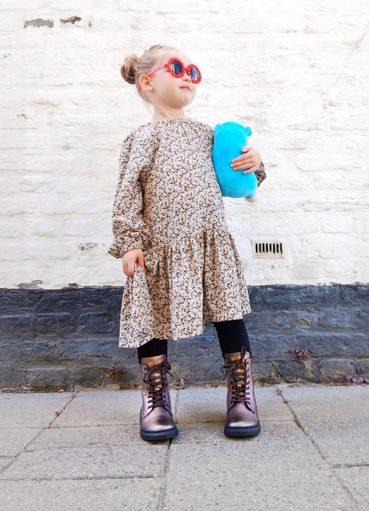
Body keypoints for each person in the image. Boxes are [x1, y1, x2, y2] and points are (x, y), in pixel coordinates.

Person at [108, 43, 267, 442]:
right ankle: (155, 399)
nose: (188, 77)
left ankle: (241, 394)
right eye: (177, 68)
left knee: (229, 314)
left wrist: (255, 162)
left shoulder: (207, 135)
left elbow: (239, 174)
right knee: (151, 317)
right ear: (148, 82)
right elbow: (128, 194)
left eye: (193, 72)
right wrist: (130, 241)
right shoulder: (141, 138)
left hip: (209, 242)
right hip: (158, 246)